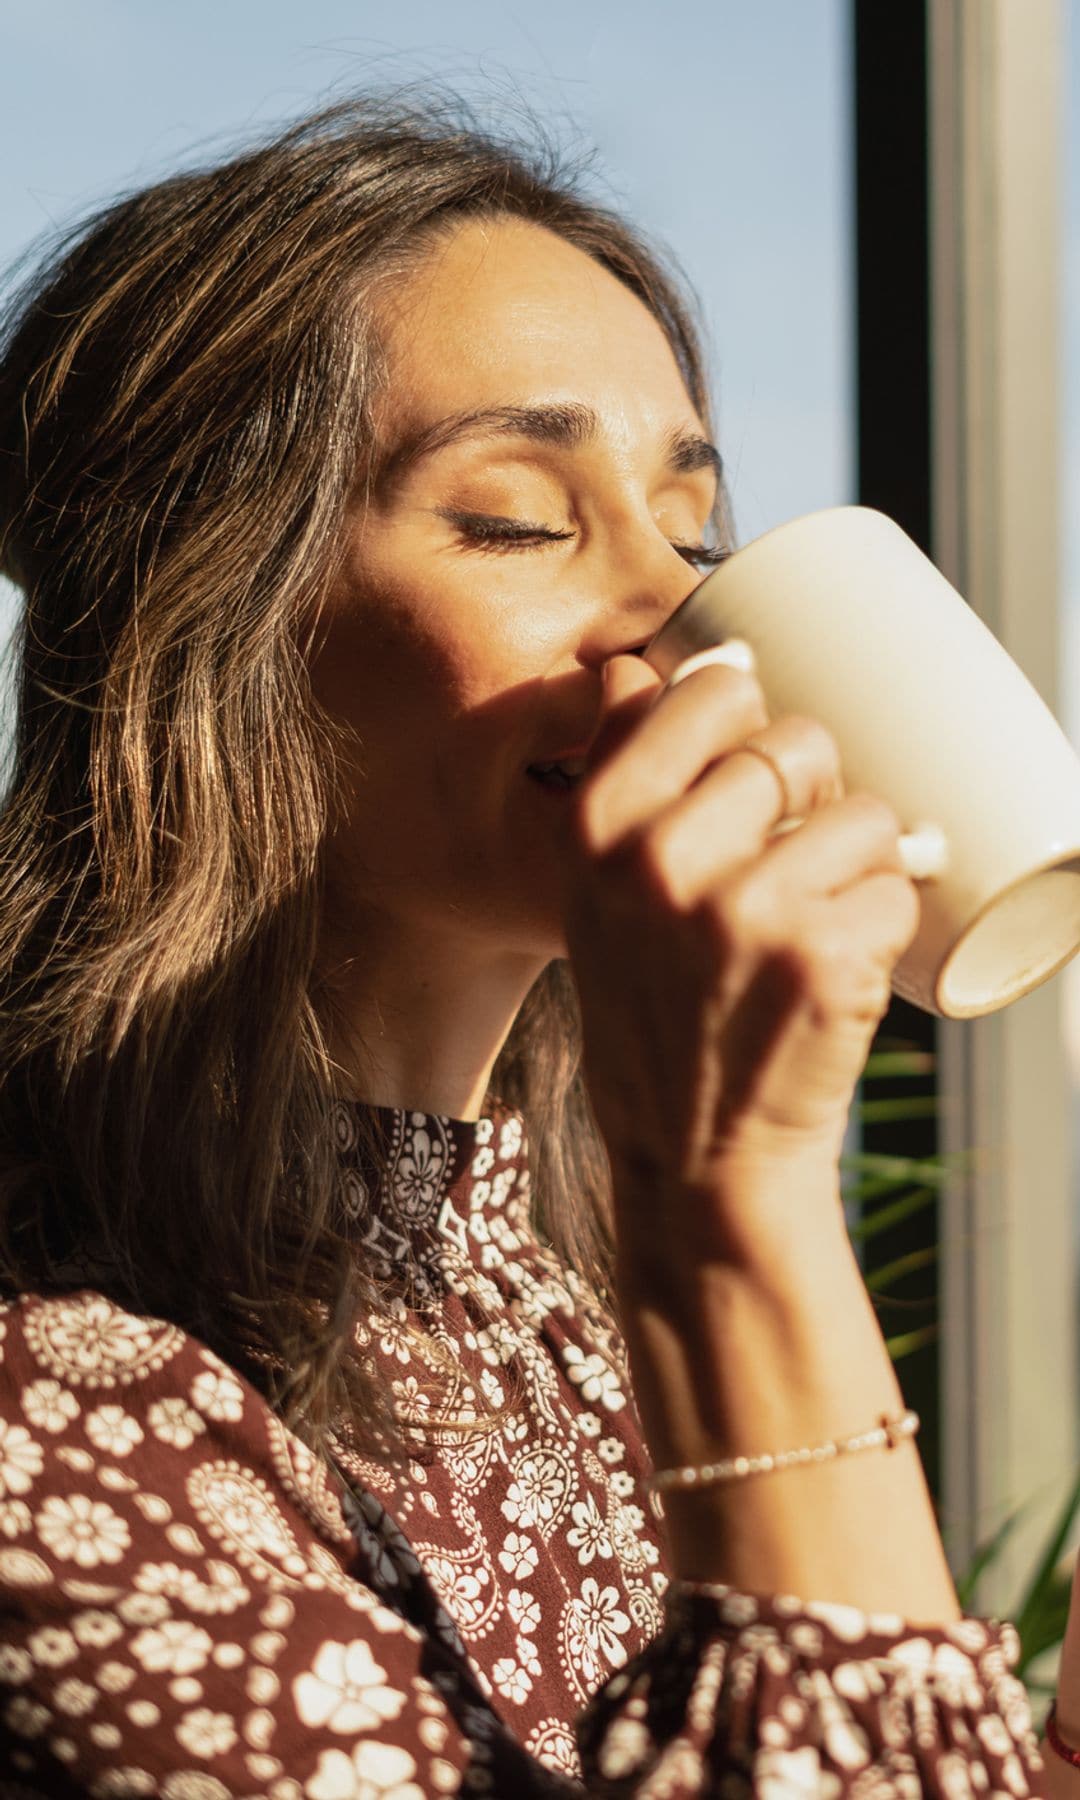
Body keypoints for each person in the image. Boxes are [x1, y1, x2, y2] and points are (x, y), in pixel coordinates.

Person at [0, 93, 1055, 1796]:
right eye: (514, 520)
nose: (672, 618)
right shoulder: (51, 1396)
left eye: (691, 528)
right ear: (209, 627)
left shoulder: (549, 1288)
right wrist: (736, 1199)